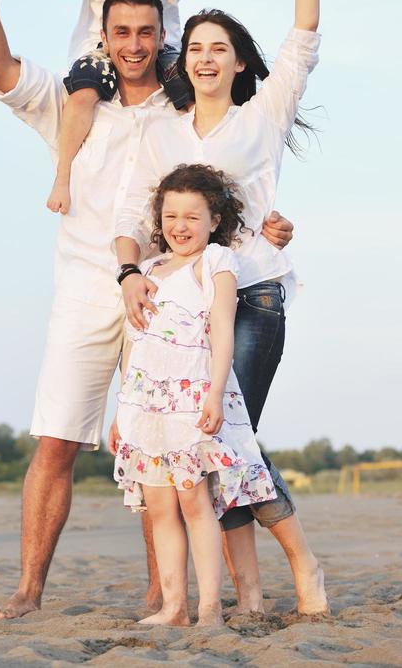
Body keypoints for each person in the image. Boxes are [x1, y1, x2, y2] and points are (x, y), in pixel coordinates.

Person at [0, 0, 294, 620]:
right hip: (88, 288)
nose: (135, 44)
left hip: (170, 297)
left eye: (148, 32)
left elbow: (240, 178)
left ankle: (163, 595)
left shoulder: (183, 115)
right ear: (105, 38)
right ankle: (29, 591)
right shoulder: (73, 106)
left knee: (170, 452)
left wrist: (271, 227)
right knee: (56, 438)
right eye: (122, 33)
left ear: (163, 37)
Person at [115, 0, 329, 615]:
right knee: (217, 451)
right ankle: (251, 595)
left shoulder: (262, 116)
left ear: (239, 61)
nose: (206, 57)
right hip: (182, 312)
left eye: (220, 48)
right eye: (197, 48)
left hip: (254, 295)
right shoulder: (160, 130)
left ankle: (301, 567)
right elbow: (133, 224)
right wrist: (131, 271)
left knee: (228, 442)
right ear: (185, 63)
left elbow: (304, 36)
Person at [0, 0, 293, 215]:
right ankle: (63, 174)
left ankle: (207, 171)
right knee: (82, 96)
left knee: (190, 105)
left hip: (162, 52)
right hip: (101, 53)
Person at [110, 164, 278, 627]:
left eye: (191, 217)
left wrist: (216, 394)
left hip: (191, 401)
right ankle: (174, 607)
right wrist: (121, 412)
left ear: (214, 221)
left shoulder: (216, 263)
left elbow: (222, 332)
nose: (179, 227)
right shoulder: (145, 270)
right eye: (170, 217)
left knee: (194, 503)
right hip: (146, 409)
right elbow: (134, 344)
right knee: (160, 508)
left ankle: (209, 609)